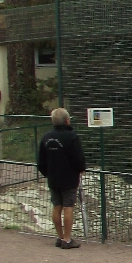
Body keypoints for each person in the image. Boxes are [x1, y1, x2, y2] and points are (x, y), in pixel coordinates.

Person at [36, 107, 87, 250]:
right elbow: (78, 158)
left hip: (53, 177)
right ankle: (67, 238)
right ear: (67, 120)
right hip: (69, 178)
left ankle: (59, 237)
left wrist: (47, 173)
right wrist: (81, 168)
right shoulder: (72, 137)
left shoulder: (46, 137)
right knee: (68, 207)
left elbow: (41, 161)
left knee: (56, 206)